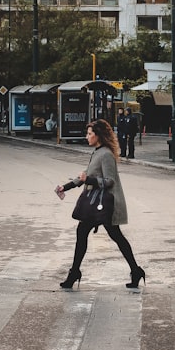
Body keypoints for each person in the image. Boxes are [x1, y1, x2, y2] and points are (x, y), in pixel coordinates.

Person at [54, 119, 144, 290]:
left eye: (90, 134)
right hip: (98, 204)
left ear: (98, 135)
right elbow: (85, 176)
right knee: (106, 235)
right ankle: (135, 270)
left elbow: (109, 181)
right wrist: (65, 187)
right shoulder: (97, 152)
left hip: (105, 204)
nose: (87, 137)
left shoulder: (106, 155)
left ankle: (75, 273)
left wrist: (88, 180)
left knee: (104, 235)